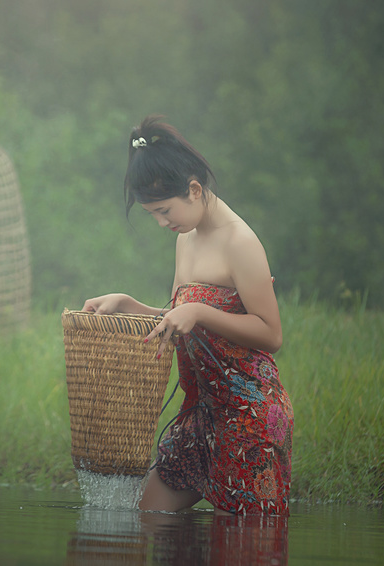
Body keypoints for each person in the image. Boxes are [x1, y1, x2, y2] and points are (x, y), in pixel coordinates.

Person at [82, 115, 293, 516]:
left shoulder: (240, 241)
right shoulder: (187, 237)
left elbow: (271, 334)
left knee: (248, 547)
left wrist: (198, 310)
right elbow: (179, 320)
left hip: (249, 419)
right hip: (201, 415)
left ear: (194, 190)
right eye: (152, 215)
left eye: (164, 210)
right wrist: (128, 304)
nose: (162, 223)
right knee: (147, 518)